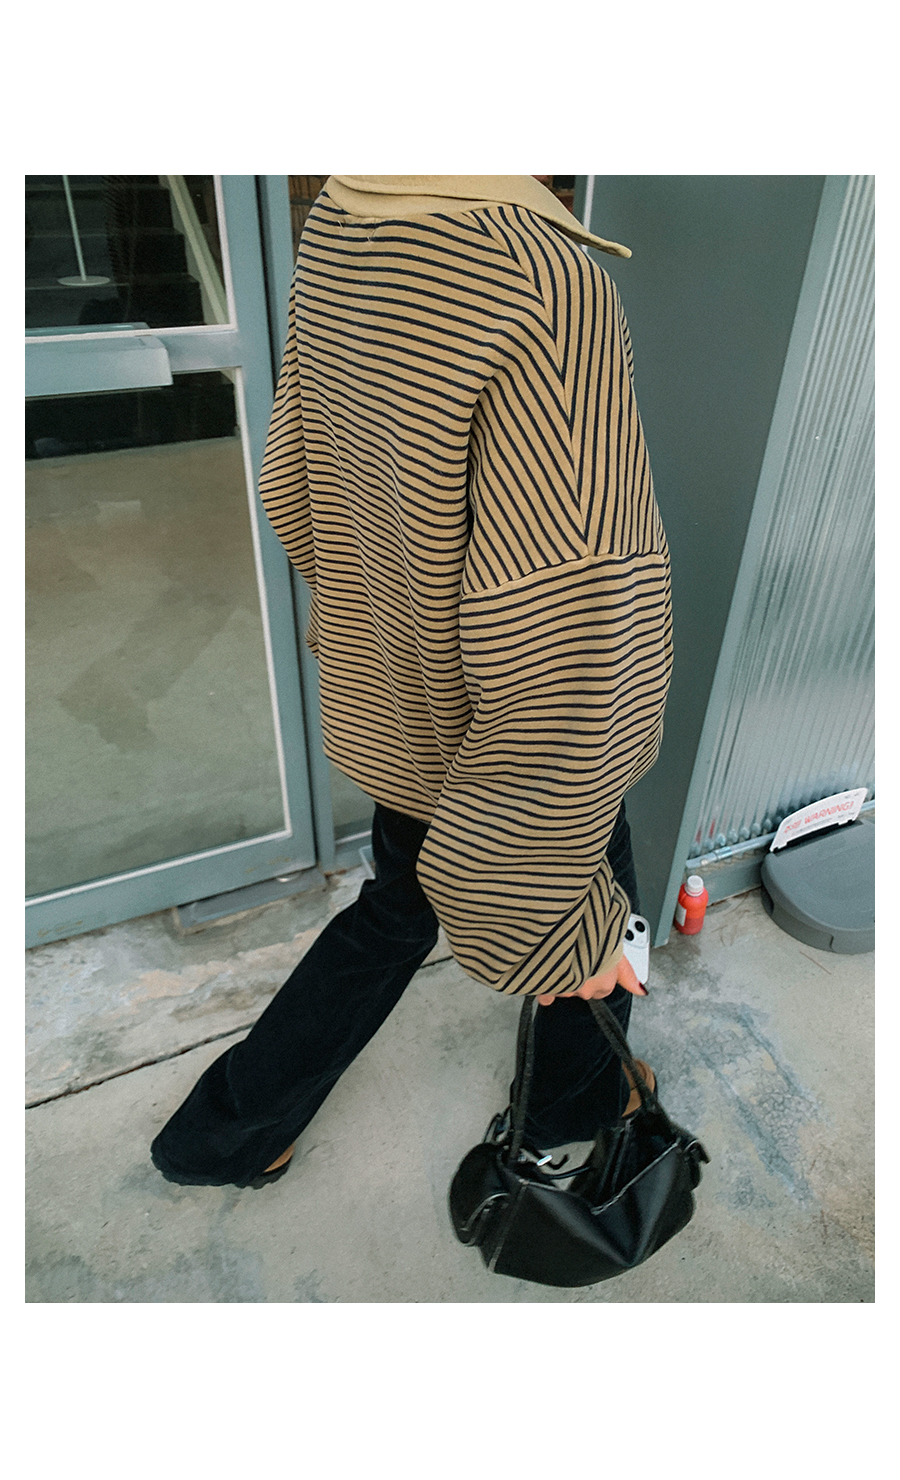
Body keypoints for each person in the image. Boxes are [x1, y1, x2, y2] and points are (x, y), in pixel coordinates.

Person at [151, 176, 673, 1190]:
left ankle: (228, 1130)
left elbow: (294, 479)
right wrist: (556, 927)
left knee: (396, 906)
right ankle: (575, 1098)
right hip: (508, 730)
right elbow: (573, 627)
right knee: (586, 881)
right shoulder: (547, 284)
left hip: (396, 695)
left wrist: (387, 634)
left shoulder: (346, 218)